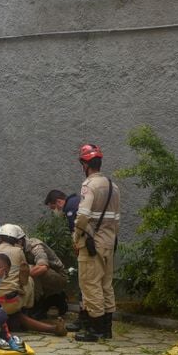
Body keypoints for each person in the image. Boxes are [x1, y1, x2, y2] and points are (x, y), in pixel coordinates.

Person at [72, 144, 120, 342]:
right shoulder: (113, 185)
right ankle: (107, 328)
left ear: (85, 164)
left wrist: (76, 236)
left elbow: (83, 216)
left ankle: (95, 329)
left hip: (91, 243)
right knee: (106, 284)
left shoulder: (89, 185)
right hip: (109, 241)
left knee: (90, 284)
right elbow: (116, 218)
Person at [0, 224, 66, 337]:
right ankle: (30, 309)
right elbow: (24, 278)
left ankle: (45, 301)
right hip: (11, 302)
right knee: (26, 278)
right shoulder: (18, 251)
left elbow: (43, 267)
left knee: (33, 271)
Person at [24, 237, 68, 319]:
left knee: (32, 270)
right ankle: (55, 297)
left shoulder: (35, 246)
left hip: (59, 276)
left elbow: (42, 267)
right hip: (46, 279)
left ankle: (39, 303)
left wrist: (23, 277)